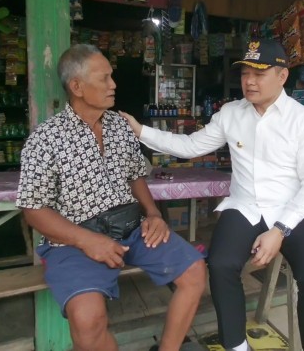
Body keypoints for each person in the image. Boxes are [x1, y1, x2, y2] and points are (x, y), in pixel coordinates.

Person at [122, 38, 304, 351]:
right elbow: (191, 146)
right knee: (220, 264)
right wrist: (141, 131)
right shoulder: (231, 113)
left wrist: (280, 230)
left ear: (282, 76)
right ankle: (236, 346)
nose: (249, 81)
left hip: (291, 211)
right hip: (244, 206)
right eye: (245, 73)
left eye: (259, 74)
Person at [16, 44, 206, 351]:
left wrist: (153, 214)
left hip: (131, 227)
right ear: (76, 86)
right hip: (74, 240)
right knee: (87, 320)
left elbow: (135, 175)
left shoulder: (119, 126)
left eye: (111, 77)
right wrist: (87, 240)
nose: (113, 84)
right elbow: (33, 210)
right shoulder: (45, 138)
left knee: (194, 271)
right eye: (104, 78)